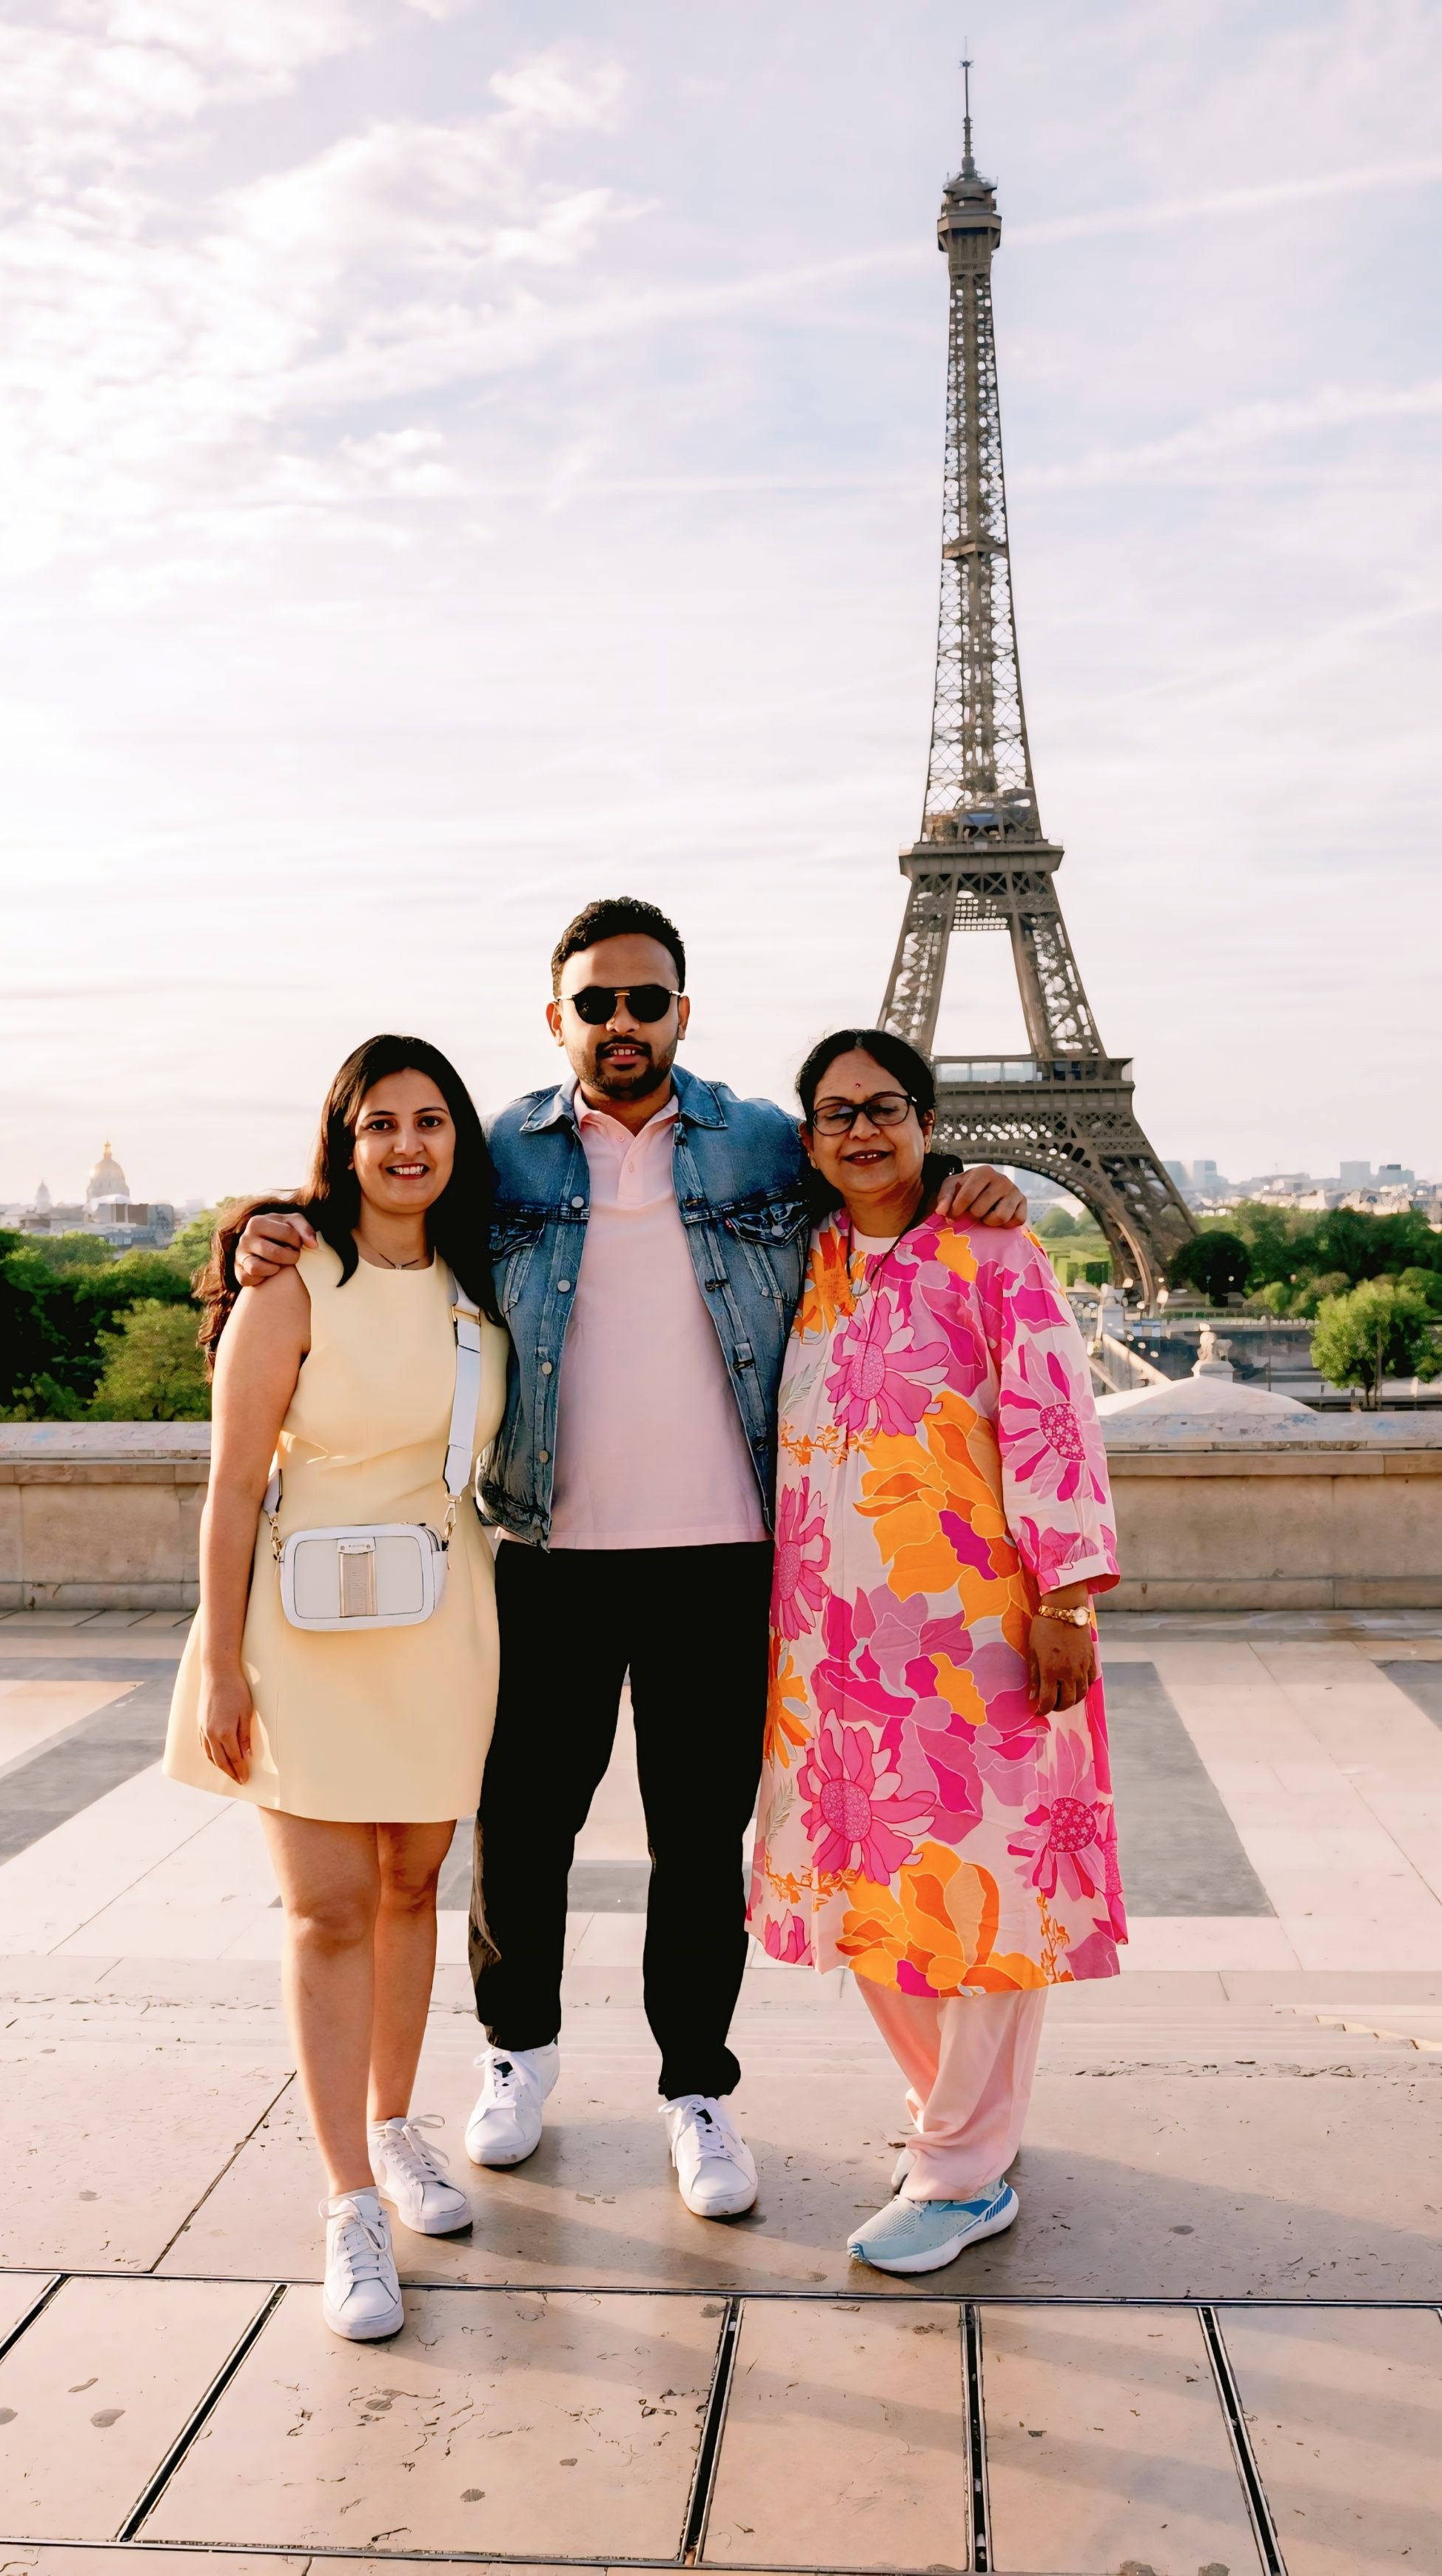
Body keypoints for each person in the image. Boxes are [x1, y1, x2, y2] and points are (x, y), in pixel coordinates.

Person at [232, 902, 1026, 2221]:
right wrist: (259, 1226)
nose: (619, 1025)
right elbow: (378, 1221)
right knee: (523, 1829)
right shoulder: (500, 1158)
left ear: (681, 1013)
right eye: (593, 1004)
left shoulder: (770, 1143)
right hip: (543, 1552)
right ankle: (517, 2055)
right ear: (557, 1020)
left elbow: (878, 1178)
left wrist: (962, 1186)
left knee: (696, 1840)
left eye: (642, 1002)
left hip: (723, 1556)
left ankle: (694, 2090)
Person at [746, 1027, 1124, 2274]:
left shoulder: (994, 1249)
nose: (863, 1130)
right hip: (831, 1654)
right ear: (807, 1141)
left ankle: (961, 2171)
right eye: (837, 1113)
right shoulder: (799, 1264)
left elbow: (1052, 1418)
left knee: (991, 1892)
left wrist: (1063, 1603)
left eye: (886, 1107)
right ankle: (961, 2130)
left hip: (979, 1640)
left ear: (925, 1122)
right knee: (876, 1898)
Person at [165, 1036, 509, 2339]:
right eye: (382, 1124)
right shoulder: (292, 1275)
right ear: (345, 1142)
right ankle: (349, 2202)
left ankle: (394, 2122)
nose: (408, 1145)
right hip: (297, 1630)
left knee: (415, 1881)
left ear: (458, 1142)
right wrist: (223, 1659)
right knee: (325, 1911)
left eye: (431, 1121)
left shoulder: (484, 1281)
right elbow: (233, 1482)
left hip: (436, 1616)